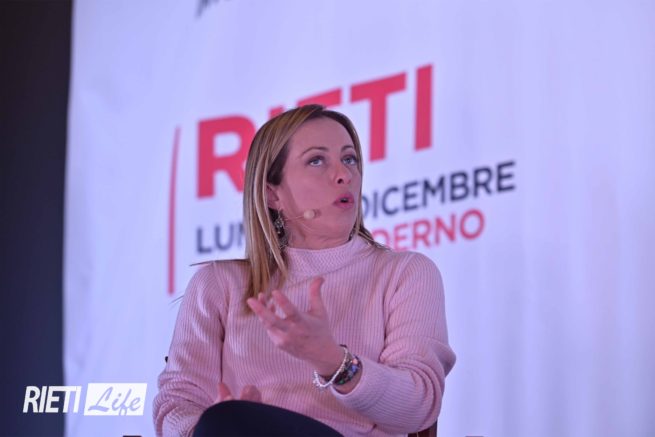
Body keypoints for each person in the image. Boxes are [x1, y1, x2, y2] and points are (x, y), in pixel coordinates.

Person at [153, 104, 456, 436]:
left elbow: (418, 408)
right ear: (272, 194)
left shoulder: (405, 273)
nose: (344, 175)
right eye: (316, 161)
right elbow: (177, 402)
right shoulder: (218, 284)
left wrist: (332, 361)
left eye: (349, 159)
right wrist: (210, 427)